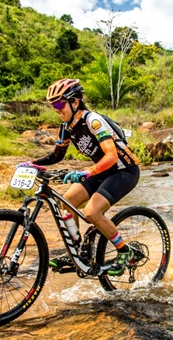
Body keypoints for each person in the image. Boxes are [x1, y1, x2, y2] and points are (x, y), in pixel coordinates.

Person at [17, 79, 140, 276]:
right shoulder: (67, 126)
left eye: (59, 104)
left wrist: (87, 172)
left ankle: (126, 252)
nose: (56, 110)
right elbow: (57, 155)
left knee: (92, 213)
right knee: (67, 202)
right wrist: (31, 163)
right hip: (101, 171)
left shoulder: (93, 121)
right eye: (53, 106)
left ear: (74, 102)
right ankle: (78, 253)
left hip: (123, 170)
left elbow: (111, 156)